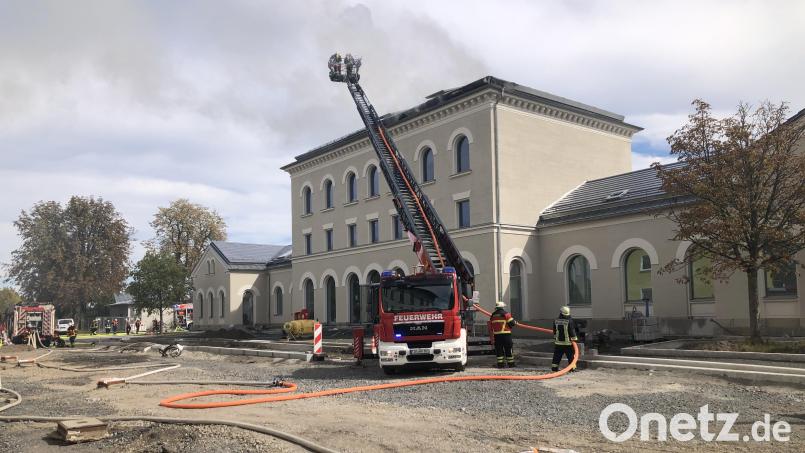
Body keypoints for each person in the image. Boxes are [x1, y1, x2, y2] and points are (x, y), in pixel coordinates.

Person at [489, 301, 516, 368]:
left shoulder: (492, 315)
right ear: (503, 307)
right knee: (508, 350)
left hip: (497, 336)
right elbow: (512, 323)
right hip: (506, 335)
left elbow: (491, 326)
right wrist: (515, 322)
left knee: (499, 350)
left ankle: (500, 364)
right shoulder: (506, 314)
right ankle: (511, 364)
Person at [551, 306, 579, 372]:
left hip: (558, 343)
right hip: (568, 343)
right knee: (571, 356)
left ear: (560, 313)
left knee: (557, 356)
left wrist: (555, 337)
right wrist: (575, 339)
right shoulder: (569, 321)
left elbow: (554, 331)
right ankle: (572, 368)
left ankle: (554, 368)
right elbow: (571, 331)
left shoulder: (556, 320)